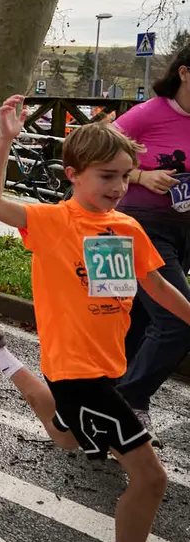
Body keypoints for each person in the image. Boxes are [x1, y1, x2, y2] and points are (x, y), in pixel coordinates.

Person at [0, 96, 190, 542]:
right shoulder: (52, 221)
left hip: (106, 363)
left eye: (125, 176)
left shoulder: (128, 227)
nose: (118, 187)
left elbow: (160, 288)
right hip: (76, 371)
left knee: (67, 437)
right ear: (72, 174)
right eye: (107, 176)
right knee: (150, 479)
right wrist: (6, 138)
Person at [114, 48, 190, 438]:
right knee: (177, 319)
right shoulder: (149, 113)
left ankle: (106, 396)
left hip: (183, 230)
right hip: (142, 225)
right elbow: (97, 148)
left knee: (144, 319)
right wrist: (142, 176)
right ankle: (131, 399)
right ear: (184, 73)